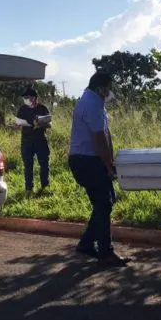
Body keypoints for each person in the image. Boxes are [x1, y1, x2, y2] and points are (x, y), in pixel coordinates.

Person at [68, 72, 129, 267]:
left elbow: (105, 133)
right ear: (102, 87)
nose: (111, 92)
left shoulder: (95, 102)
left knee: (104, 203)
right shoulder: (92, 104)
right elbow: (98, 139)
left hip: (89, 159)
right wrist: (107, 165)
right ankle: (105, 252)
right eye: (109, 87)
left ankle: (87, 244)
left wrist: (110, 161)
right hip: (87, 160)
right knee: (104, 203)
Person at [15, 87, 51, 196]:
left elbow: (49, 124)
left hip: (40, 140)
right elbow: (18, 125)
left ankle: (45, 186)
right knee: (28, 166)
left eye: (27, 97)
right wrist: (18, 126)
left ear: (34, 98)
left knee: (44, 164)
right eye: (24, 98)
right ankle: (28, 189)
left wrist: (40, 124)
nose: (26, 99)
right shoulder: (22, 109)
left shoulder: (42, 108)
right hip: (26, 140)